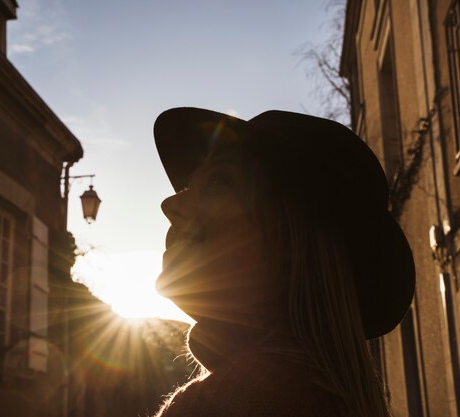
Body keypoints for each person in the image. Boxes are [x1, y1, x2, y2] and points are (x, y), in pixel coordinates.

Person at [152, 108, 415, 417]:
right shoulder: (325, 398)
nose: (170, 205)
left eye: (218, 183)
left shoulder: (221, 405)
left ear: (291, 243)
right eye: (187, 187)